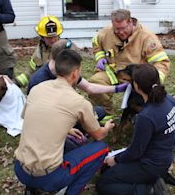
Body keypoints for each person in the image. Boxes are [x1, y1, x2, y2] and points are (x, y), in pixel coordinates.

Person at [14, 49, 115, 194]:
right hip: (48, 177)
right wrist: (107, 127)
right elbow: (98, 135)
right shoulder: (79, 102)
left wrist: (67, 129)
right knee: (101, 148)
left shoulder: (37, 89)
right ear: (75, 73)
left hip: (20, 169)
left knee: (70, 143)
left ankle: (32, 189)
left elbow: (32, 117)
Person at [96, 64, 175, 195]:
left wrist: (115, 159)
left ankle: (149, 190)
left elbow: (135, 151)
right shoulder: (170, 99)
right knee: (108, 170)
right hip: (165, 157)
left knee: (104, 183)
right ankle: (154, 178)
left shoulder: (146, 116)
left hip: (150, 164)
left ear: (136, 87)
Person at [89, 9, 171, 117]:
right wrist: (100, 57)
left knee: (142, 103)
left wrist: (151, 81)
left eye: (123, 28)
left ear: (131, 22)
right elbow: (96, 43)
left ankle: (141, 117)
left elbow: (161, 62)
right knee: (95, 83)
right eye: (116, 29)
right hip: (112, 73)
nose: (120, 32)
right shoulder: (106, 33)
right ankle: (105, 116)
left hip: (136, 79)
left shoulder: (146, 37)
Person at [27, 39, 129, 96]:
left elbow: (89, 87)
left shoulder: (64, 70)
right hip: (49, 117)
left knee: (99, 112)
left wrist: (116, 89)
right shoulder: (39, 82)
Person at [15, 15, 64, 87]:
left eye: (54, 36)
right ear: (42, 37)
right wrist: (15, 83)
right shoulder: (38, 53)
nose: (53, 40)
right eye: (49, 38)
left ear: (59, 35)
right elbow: (29, 73)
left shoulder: (65, 50)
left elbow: (72, 76)